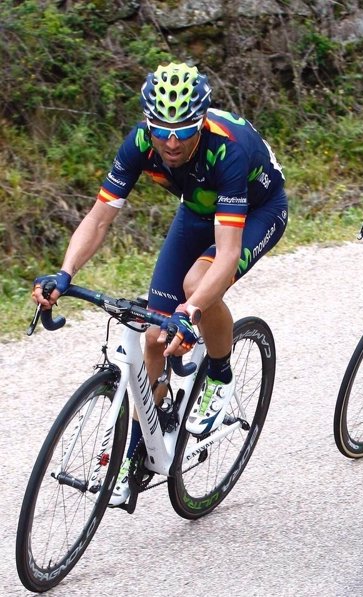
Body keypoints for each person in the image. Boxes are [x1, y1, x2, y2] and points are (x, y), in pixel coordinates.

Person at [32, 62, 288, 505]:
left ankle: (220, 377)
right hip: (196, 209)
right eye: (161, 129)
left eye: (184, 130)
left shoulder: (227, 150)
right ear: (148, 123)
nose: (171, 141)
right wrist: (65, 274)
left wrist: (191, 312)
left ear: (201, 122)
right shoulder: (138, 144)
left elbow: (226, 256)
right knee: (153, 334)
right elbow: (98, 219)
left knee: (196, 286)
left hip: (259, 210)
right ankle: (149, 434)